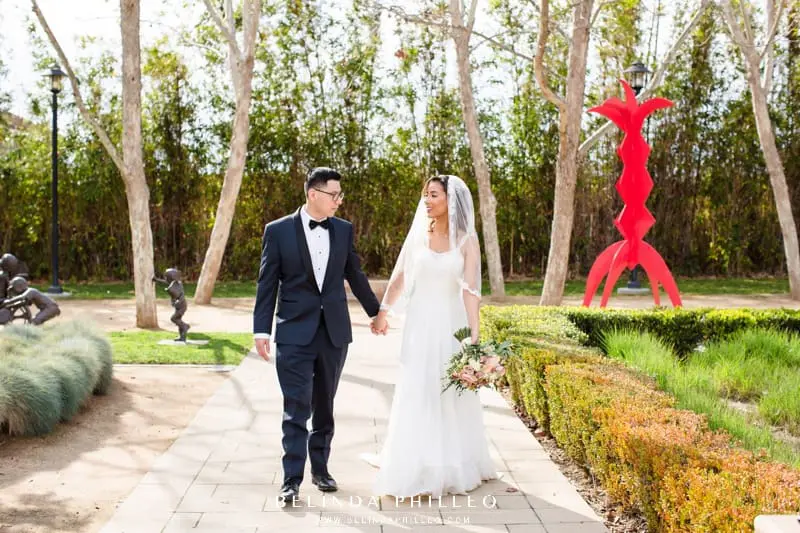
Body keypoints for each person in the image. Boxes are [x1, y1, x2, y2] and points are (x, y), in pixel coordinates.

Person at [252, 167, 386, 502]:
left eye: (340, 195)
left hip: (334, 334)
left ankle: (321, 471)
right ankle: (291, 480)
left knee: (324, 405)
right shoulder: (278, 231)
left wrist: (376, 312)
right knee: (296, 407)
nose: (339, 201)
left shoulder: (343, 230)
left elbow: (354, 274)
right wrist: (260, 328)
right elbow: (267, 283)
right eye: (334, 195)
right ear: (313, 194)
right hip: (294, 333)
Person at [370, 175, 498, 498]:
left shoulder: (468, 241)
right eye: (426, 195)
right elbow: (400, 276)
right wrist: (383, 310)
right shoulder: (418, 236)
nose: (427, 201)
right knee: (419, 390)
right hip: (420, 327)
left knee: (449, 394)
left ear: (449, 201)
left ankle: (453, 463)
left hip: (450, 327)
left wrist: (474, 337)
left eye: (434, 195)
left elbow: (470, 291)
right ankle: (413, 461)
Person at [153, 268, 190, 341]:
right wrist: (156, 280)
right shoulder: (175, 282)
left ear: (171, 277)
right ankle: (182, 337)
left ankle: (185, 326)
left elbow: (181, 296)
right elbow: (166, 282)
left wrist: (177, 302)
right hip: (179, 306)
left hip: (181, 306)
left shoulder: (177, 285)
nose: (166, 278)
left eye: (167, 277)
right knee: (178, 320)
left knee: (174, 319)